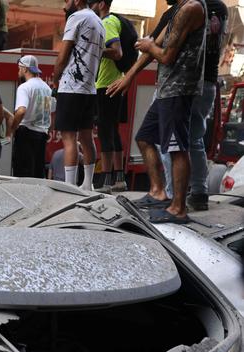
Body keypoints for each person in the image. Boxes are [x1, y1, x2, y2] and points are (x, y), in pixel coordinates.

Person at [107, 0, 207, 223]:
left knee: (176, 148)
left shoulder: (191, 8)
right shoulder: (176, 11)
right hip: (165, 89)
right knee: (144, 138)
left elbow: (165, 55)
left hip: (178, 89)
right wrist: (129, 76)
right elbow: (156, 45)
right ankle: (157, 192)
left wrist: (148, 46)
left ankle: (178, 209)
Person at [160, 0, 227, 211]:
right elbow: (219, 45)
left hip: (184, 81)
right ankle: (199, 192)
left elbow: (163, 44)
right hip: (209, 81)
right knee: (195, 139)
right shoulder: (220, 8)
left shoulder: (188, 8)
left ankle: (172, 195)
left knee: (170, 140)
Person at [53, 0, 105, 191]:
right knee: (86, 137)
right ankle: (87, 184)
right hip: (89, 89)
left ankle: (69, 186)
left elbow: (64, 53)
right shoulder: (99, 22)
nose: (65, 4)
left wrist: (55, 76)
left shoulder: (77, 17)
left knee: (69, 138)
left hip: (71, 86)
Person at [89, 0, 127, 193]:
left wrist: (94, 50)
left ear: (102, 3)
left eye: (93, 2)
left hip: (106, 84)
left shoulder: (107, 22)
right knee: (112, 131)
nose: (91, 5)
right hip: (115, 83)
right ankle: (119, 179)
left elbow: (117, 52)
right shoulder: (111, 21)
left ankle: (105, 182)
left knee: (105, 132)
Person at [9, 55, 55, 178]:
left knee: (23, 173)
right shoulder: (47, 88)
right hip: (42, 135)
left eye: (19, 68)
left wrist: (12, 129)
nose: (18, 71)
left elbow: (21, 111)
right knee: (37, 172)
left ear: (25, 69)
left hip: (26, 134)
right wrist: (48, 129)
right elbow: (53, 112)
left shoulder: (24, 87)